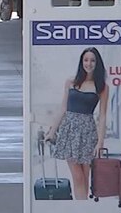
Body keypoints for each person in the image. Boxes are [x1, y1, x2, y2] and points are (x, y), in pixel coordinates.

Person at [45, 47, 110, 201]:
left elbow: (102, 115)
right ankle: (79, 209)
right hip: (70, 130)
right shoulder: (71, 82)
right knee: (77, 176)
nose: (89, 63)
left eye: (92, 60)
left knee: (85, 176)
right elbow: (63, 108)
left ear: (97, 63)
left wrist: (100, 142)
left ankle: (83, 211)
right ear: (82, 62)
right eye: (86, 60)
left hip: (88, 131)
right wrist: (52, 131)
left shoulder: (102, 87)